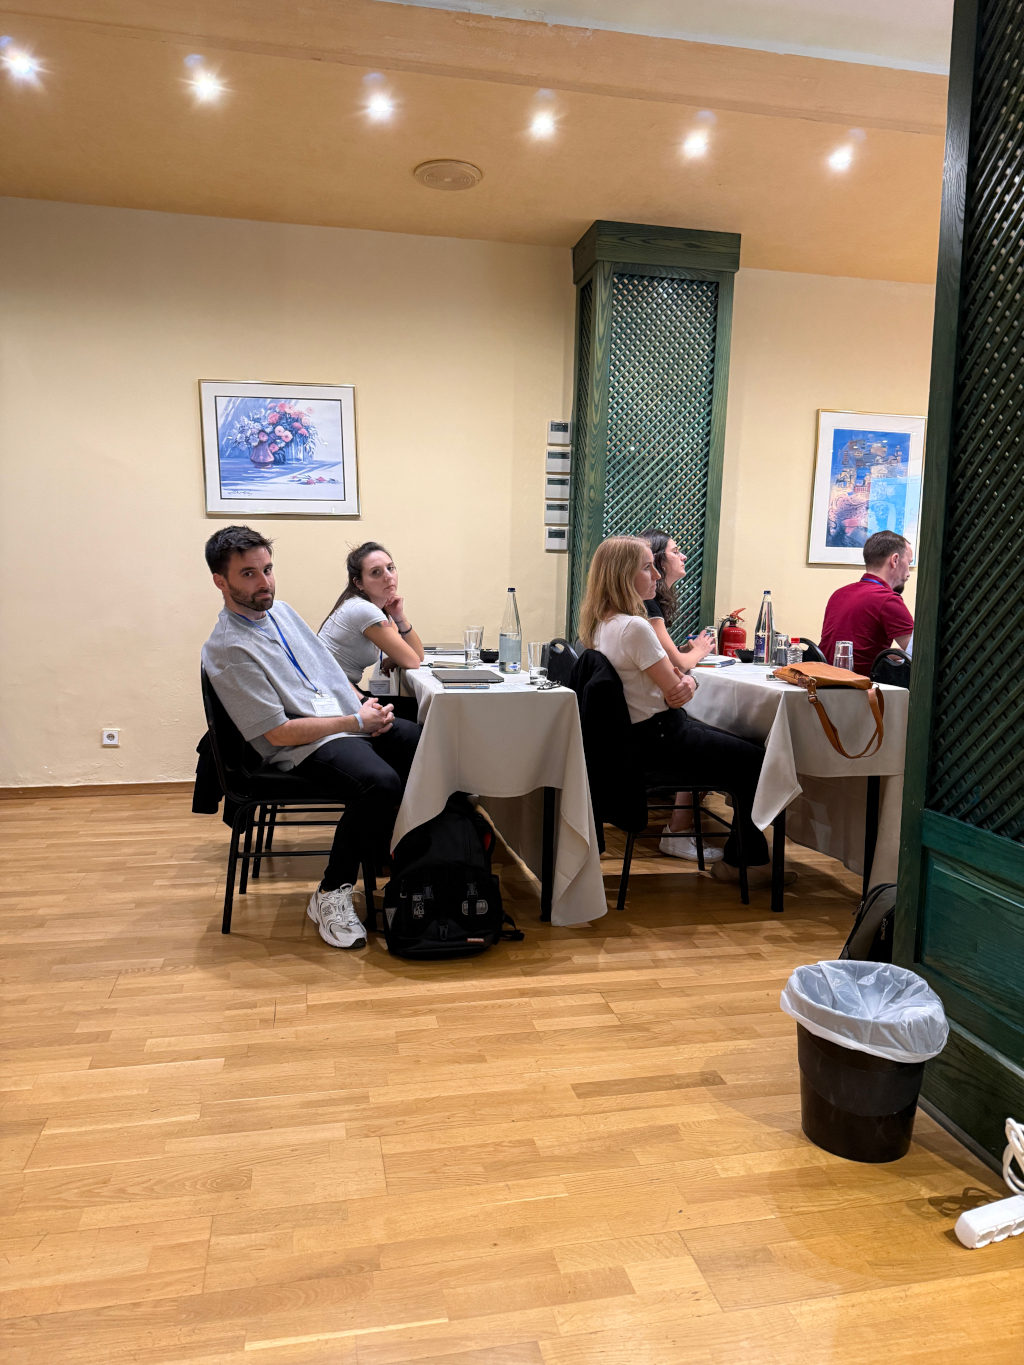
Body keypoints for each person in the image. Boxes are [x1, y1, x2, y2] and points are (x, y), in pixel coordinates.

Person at [201, 526, 421, 950]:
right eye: (248, 574)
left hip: (341, 720)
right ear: (220, 581)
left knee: (421, 742)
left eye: (267, 570)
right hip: (300, 746)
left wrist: (365, 706)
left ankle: (415, 864)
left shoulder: (281, 613)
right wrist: (355, 722)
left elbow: (327, 673)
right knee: (379, 783)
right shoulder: (227, 648)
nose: (264, 582)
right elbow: (278, 733)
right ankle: (331, 893)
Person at [579, 536, 786, 887]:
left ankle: (743, 859)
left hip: (632, 743)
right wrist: (690, 682)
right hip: (660, 740)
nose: (657, 576)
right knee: (758, 761)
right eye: (648, 568)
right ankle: (746, 864)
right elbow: (677, 693)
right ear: (622, 575)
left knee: (747, 751)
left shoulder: (600, 624)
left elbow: (673, 685)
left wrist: (684, 682)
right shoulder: (635, 627)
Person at [638, 527, 720, 864]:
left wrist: (687, 657)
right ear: (656, 562)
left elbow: (667, 659)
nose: (683, 556)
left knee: (709, 730)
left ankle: (682, 827)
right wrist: (699, 650)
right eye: (675, 551)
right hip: (651, 733)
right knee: (738, 746)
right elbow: (680, 666)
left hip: (642, 730)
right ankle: (681, 831)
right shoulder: (646, 608)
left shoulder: (641, 610)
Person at [320, 542, 424, 691]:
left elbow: (417, 656)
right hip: (330, 692)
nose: (388, 577)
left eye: (390, 568)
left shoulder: (377, 609)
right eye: (376, 572)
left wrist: (399, 618)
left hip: (341, 689)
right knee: (418, 706)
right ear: (359, 583)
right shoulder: (363, 610)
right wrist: (397, 659)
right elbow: (412, 661)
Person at [819, 529, 914, 675]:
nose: (908, 573)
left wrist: (890, 654)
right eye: (908, 563)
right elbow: (920, 654)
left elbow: (858, 650)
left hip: (824, 680)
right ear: (894, 560)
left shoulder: (839, 594)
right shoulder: (887, 599)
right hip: (860, 685)